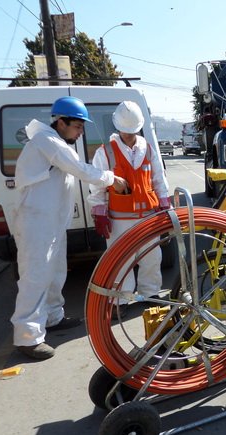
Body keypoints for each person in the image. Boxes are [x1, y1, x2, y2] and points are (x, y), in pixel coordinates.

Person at [11, 96, 128, 360]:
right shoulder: (47, 141)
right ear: (61, 122)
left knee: (55, 272)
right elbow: (80, 169)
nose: (80, 132)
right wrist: (112, 179)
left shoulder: (56, 142)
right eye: (77, 126)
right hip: (36, 223)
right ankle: (27, 337)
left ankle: (53, 317)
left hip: (50, 222)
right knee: (35, 277)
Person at [88, 101, 170, 317]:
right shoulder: (106, 152)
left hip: (148, 216)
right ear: (118, 128)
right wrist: (99, 211)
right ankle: (120, 300)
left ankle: (150, 293)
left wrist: (164, 202)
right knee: (121, 261)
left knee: (152, 257)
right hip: (119, 219)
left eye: (132, 131)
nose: (129, 135)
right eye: (125, 131)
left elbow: (158, 178)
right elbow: (97, 185)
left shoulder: (148, 149)